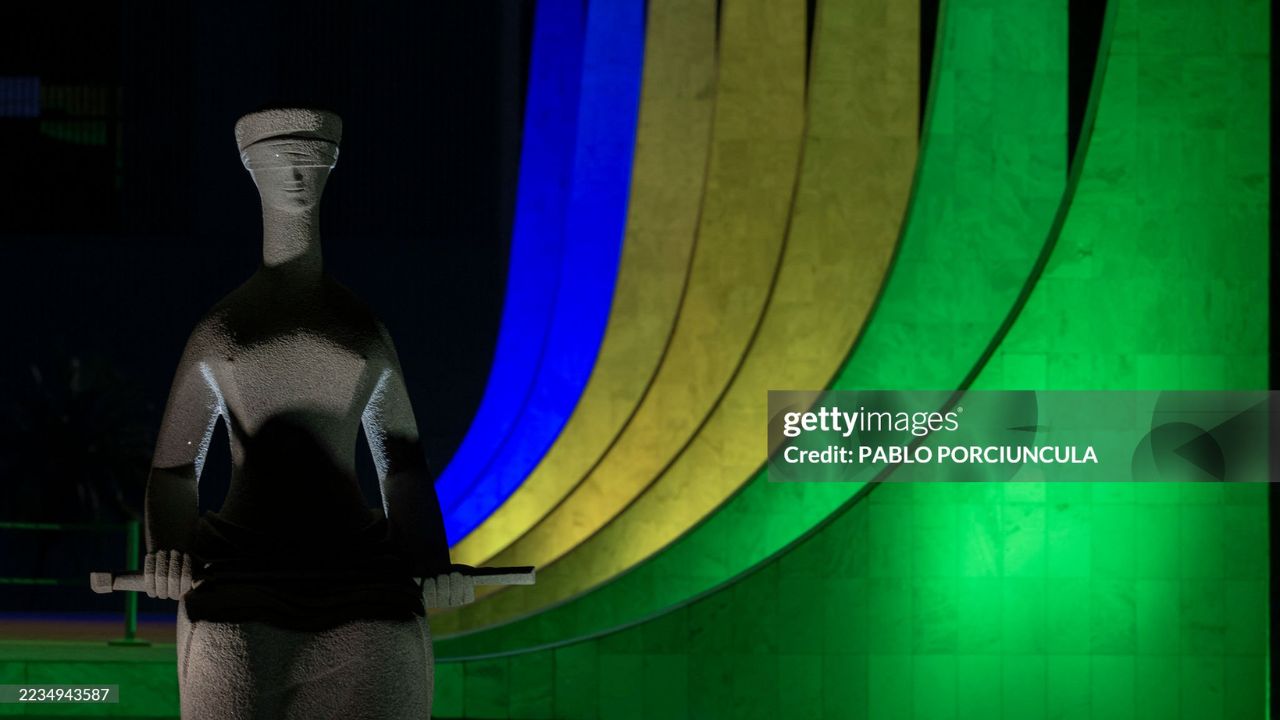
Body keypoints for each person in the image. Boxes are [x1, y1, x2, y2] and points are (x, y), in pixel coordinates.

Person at [142, 108, 471, 719]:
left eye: (309, 163)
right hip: (240, 564)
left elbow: (400, 462)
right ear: (252, 172)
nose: (295, 176)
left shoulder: (363, 331)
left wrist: (429, 559)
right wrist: (170, 549)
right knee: (226, 649)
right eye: (279, 163)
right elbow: (173, 469)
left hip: (358, 566)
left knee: (390, 642)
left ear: (329, 173)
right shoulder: (224, 331)